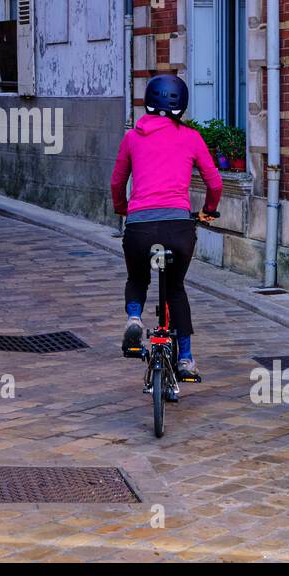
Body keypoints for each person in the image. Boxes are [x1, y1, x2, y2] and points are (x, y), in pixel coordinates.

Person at [110, 74, 222, 382]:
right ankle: (185, 359)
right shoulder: (191, 138)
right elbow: (215, 181)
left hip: (140, 229)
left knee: (138, 277)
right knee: (174, 288)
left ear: (148, 101)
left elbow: (117, 181)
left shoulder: (132, 137)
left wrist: (123, 208)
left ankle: (134, 317)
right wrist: (208, 210)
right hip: (177, 227)